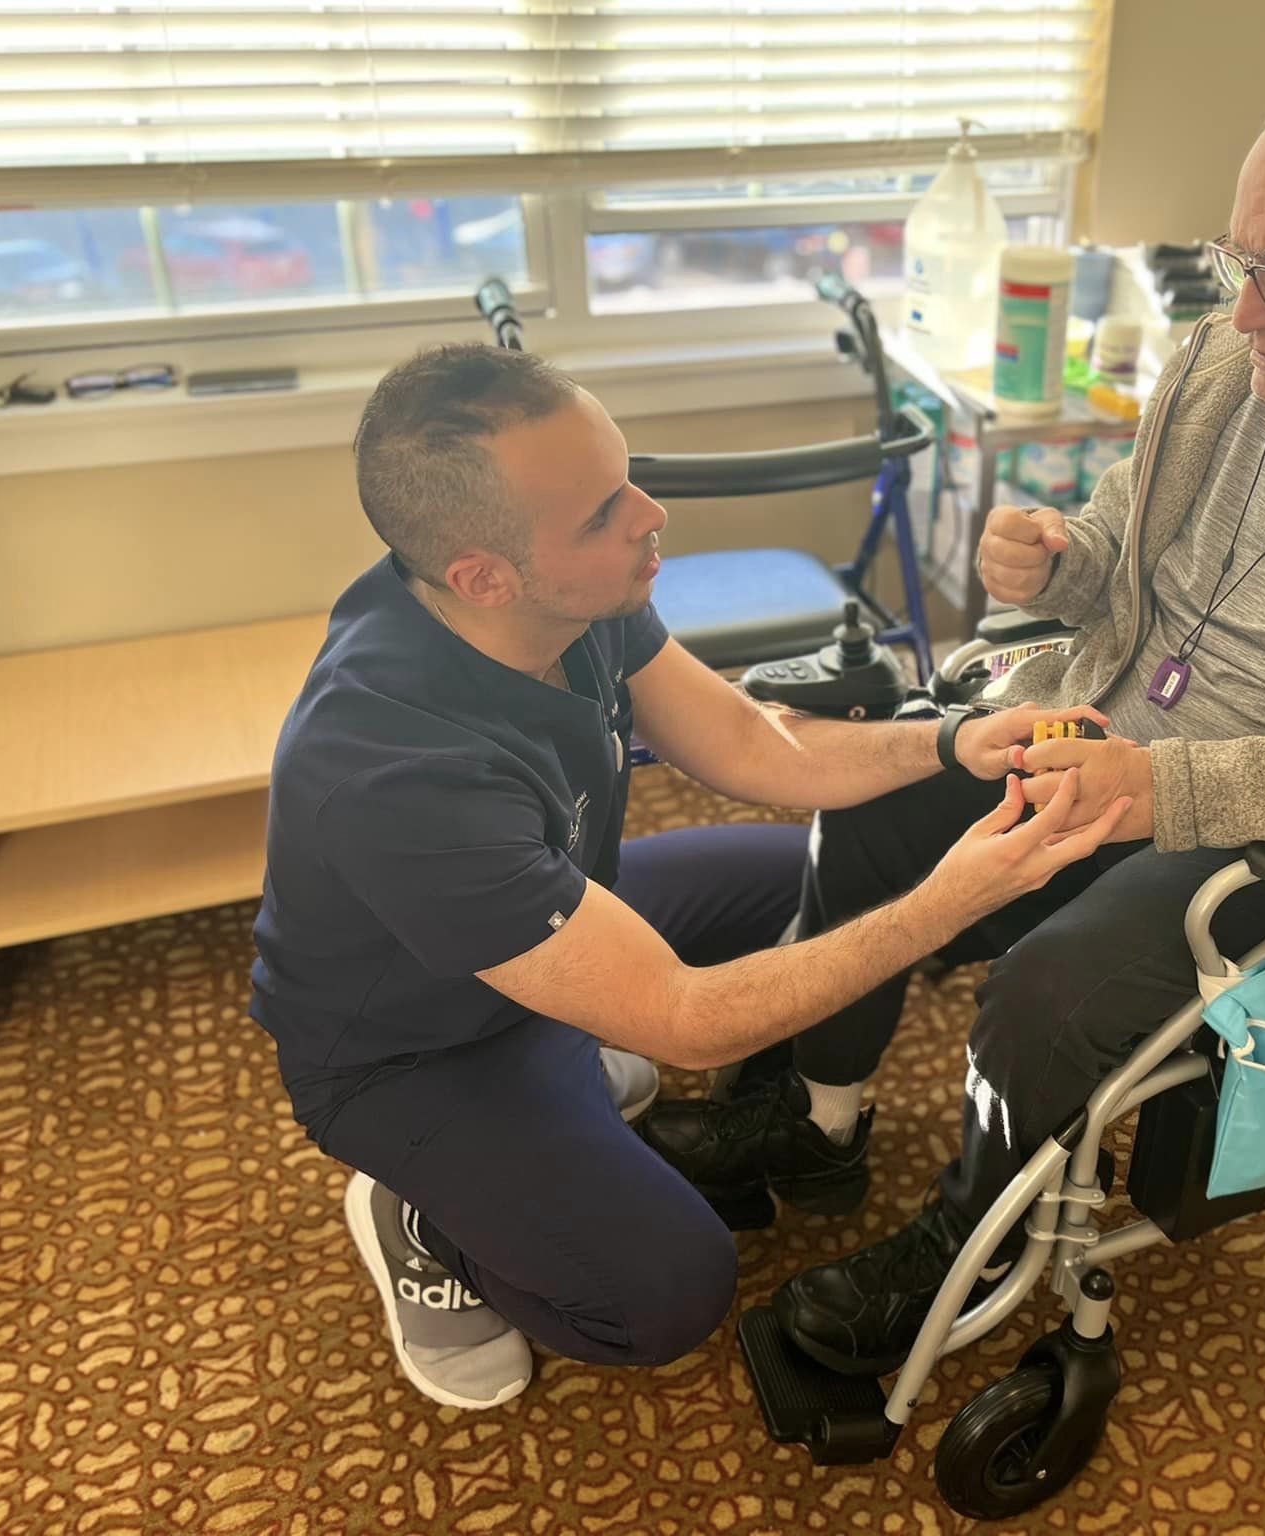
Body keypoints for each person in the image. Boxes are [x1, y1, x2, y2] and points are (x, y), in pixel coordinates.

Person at [638, 61, 1265, 1377]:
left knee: (1057, 991)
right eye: (1238, 259)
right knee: (867, 811)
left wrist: (1178, 793)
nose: (1248, 309)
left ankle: (964, 1249)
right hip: (1110, 731)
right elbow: (1126, 544)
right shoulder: (1223, 364)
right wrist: (1061, 563)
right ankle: (820, 1131)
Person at [248, 345, 1130, 1408]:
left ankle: (561, 1074)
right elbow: (687, 1019)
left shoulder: (570, 595)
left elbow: (759, 748)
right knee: (666, 1294)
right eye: (602, 512)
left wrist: (953, 741)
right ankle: (427, 1213)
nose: (647, 515)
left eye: (627, 478)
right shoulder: (389, 770)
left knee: (816, 867)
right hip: (414, 1049)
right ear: (484, 574)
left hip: (557, 915)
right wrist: (946, 899)